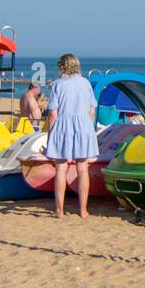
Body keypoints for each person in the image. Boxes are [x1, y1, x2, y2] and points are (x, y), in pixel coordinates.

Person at [45, 53, 99, 218]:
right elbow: (92, 110)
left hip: (62, 126)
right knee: (82, 169)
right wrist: (89, 130)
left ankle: (59, 211)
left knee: (61, 169)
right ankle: (83, 210)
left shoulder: (57, 85)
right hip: (83, 126)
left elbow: (53, 113)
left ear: (63, 66)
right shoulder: (85, 83)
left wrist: (50, 136)